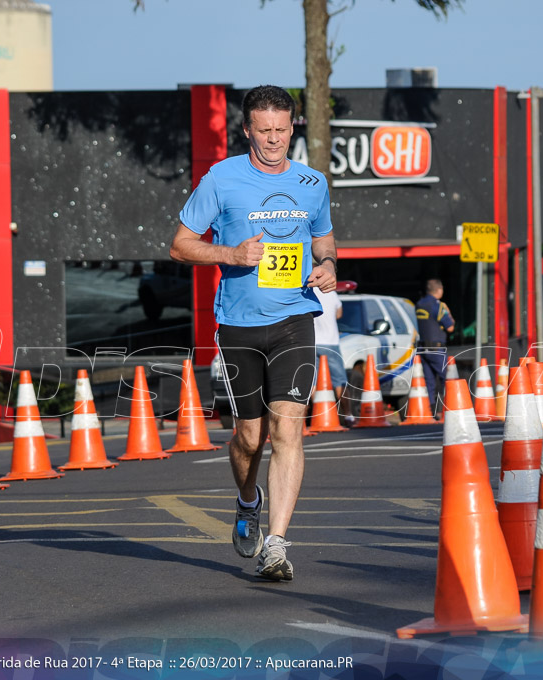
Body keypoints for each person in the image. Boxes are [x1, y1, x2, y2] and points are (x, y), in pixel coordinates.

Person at [170, 85, 337, 581]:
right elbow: (179, 246)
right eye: (263, 131)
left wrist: (326, 264)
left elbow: (324, 237)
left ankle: (278, 545)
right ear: (246, 129)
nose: (272, 140)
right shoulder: (220, 180)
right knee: (249, 436)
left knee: (288, 427)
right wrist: (231, 254)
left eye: (281, 131)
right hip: (240, 325)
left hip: (294, 320)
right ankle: (248, 502)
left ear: (293, 128)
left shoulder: (312, 182)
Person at [415, 278, 455, 417]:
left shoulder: (419, 304)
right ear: (439, 290)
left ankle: (431, 412)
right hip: (437, 349)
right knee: (448, 378)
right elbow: (450, 327)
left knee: (429, 382)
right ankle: (450, 409)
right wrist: (448, 312)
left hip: (423, 349)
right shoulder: (438, 306)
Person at [312, 287, 349, 422]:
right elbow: (339, 313)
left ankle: (317, 413)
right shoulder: (330, 292)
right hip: (331, 342)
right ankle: (348, 414)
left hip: (313, 342)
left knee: (313, 381)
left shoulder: (307, 291)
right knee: (339, 380)